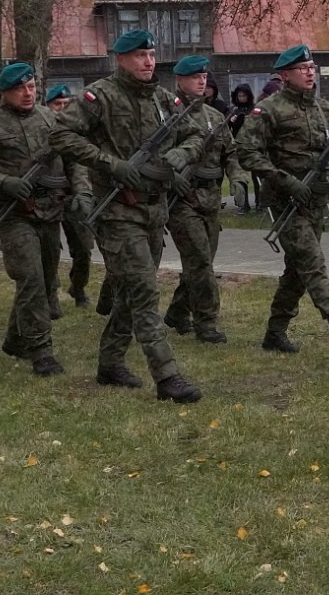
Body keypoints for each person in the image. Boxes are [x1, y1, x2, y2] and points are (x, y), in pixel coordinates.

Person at [51, 29, 205, 403]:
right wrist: (111, 164)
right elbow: (61, 135)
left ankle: (109, 363)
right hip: (117, 211)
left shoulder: (164, 99)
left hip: (155, 209)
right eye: (139, 56)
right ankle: (167, 376)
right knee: (145, 292)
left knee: (130, 293)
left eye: (151, 54)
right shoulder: (99, 96)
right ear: (120, 58)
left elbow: (197, 135)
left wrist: (179, 156)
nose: (148, 62)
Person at [238, 44, 329, 358]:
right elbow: (246, 151)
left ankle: (275, 332)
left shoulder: (324, 108)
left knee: (297, 269)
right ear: (286, 75)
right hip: (286, 201)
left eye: (312, 66)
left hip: (316, 198)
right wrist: (284, 180)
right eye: (303, 68)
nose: (310, 72)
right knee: (312, 264)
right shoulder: (269, 109)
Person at [0, 64, 81, 376]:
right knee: (31, 278)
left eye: (31, 87)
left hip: (51, 209)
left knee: (46, 278)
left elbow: (73, 158)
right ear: (5, 91)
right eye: (20, 89)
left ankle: (14, 339)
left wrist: (82, 192)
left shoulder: (50, 117)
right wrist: (3, 181)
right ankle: (41, 350)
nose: (28, 93)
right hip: (13, 213)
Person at [163, 55, 250, 345]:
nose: (201, 81)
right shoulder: (167, 114)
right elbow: (154, 154)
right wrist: (171, 178)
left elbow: (232, 154)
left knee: (201, 262)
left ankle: (177, 312)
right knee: (200, 260)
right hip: (182, 200)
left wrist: (237, 178)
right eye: (194, 77)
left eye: (204, 76)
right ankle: (206, 321)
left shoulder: (215, 117)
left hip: (211, 199)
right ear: (179, 80)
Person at [44, 84, 95, 308]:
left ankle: (78, 287)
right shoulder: (41, 131)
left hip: (75, 196)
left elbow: (81, 166)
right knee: (50, 250)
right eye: (57, 105)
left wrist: (83, 193)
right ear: (48, 107)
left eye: (67, 105)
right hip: (47, 198)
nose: (62, 109)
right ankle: (51, 295)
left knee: (83, 248)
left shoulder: (81, 132)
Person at [226, 83, 257, 214]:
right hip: (238, 145)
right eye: (239, 96)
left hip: (252, 145)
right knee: (241, 176)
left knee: (256, 175)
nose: (241, 98)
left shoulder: (254, 109)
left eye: (244, 95)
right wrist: (231, 121)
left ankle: (259, 202)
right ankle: (244, 204)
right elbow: (227, 127)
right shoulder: (234, 110)